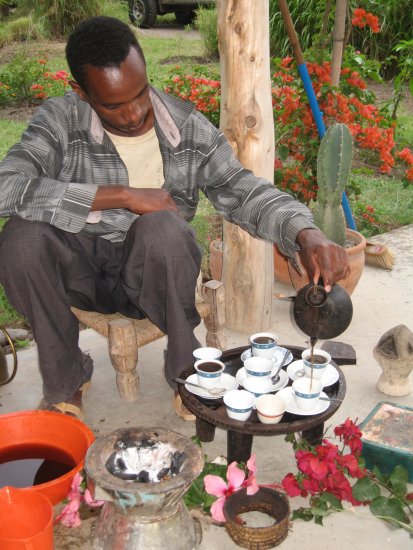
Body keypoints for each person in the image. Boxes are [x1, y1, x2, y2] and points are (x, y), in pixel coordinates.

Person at [0, 16, 350, 420]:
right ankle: (66, 380)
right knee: (21, 240)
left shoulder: (187, 129)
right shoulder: (61, 119)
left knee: (165, 228)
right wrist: (124, 196)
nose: (133, 114)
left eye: (140, 93)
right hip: (78, 271)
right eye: (113, 105)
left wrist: (305, 233)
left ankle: (187, 373)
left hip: (150, 276)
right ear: (81, 93)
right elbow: (8, 185)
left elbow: (244, 190)